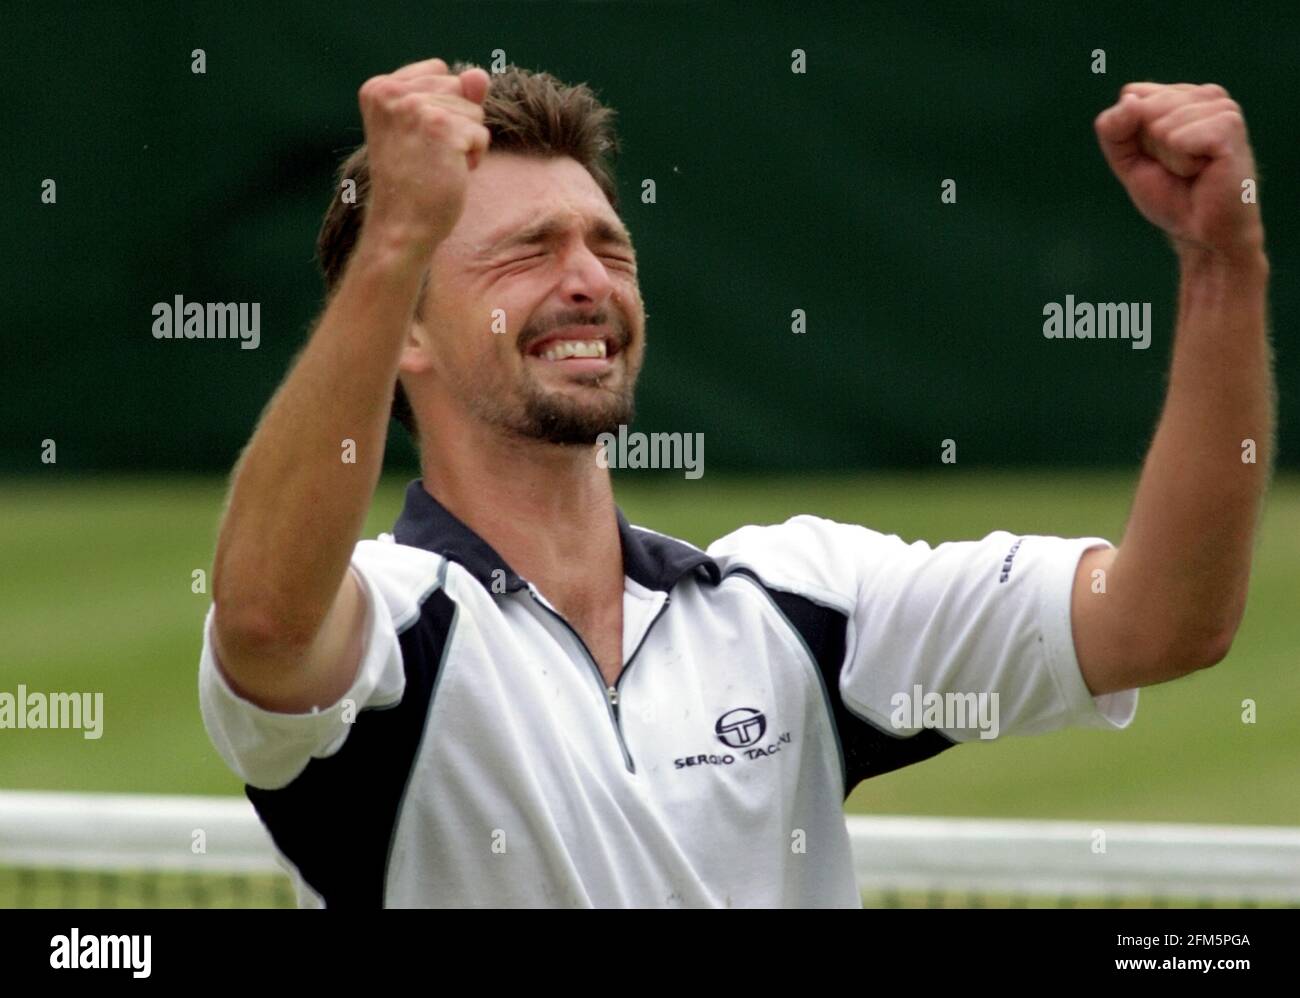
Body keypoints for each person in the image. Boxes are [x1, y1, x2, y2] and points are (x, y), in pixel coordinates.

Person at [198, 59, 1273, 907]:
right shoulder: (391, 625)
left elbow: (1165, 617)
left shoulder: (796, 598)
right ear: (407, 337)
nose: (585, 278)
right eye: (526, 250)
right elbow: (261, 616)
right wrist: (395, 238)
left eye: (608, 247)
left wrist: (1221, 263)